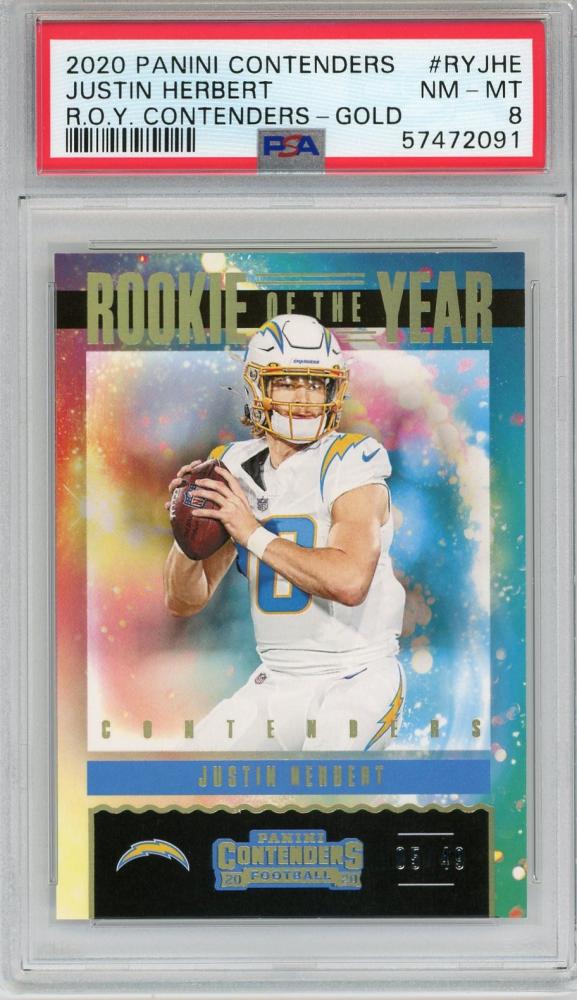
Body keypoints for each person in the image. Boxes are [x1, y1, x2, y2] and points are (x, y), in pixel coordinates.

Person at [164, 314, 406, 751]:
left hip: (358, 678)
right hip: (278, 681)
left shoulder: (352, 460)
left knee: (324, 777)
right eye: (288, 382)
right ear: (258, 387)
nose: (304, 398)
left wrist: (251, 532)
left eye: (316, 384)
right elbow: (184, 601)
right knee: (187, 774)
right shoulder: (232, 465)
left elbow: (350, 582)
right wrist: (186, 532)